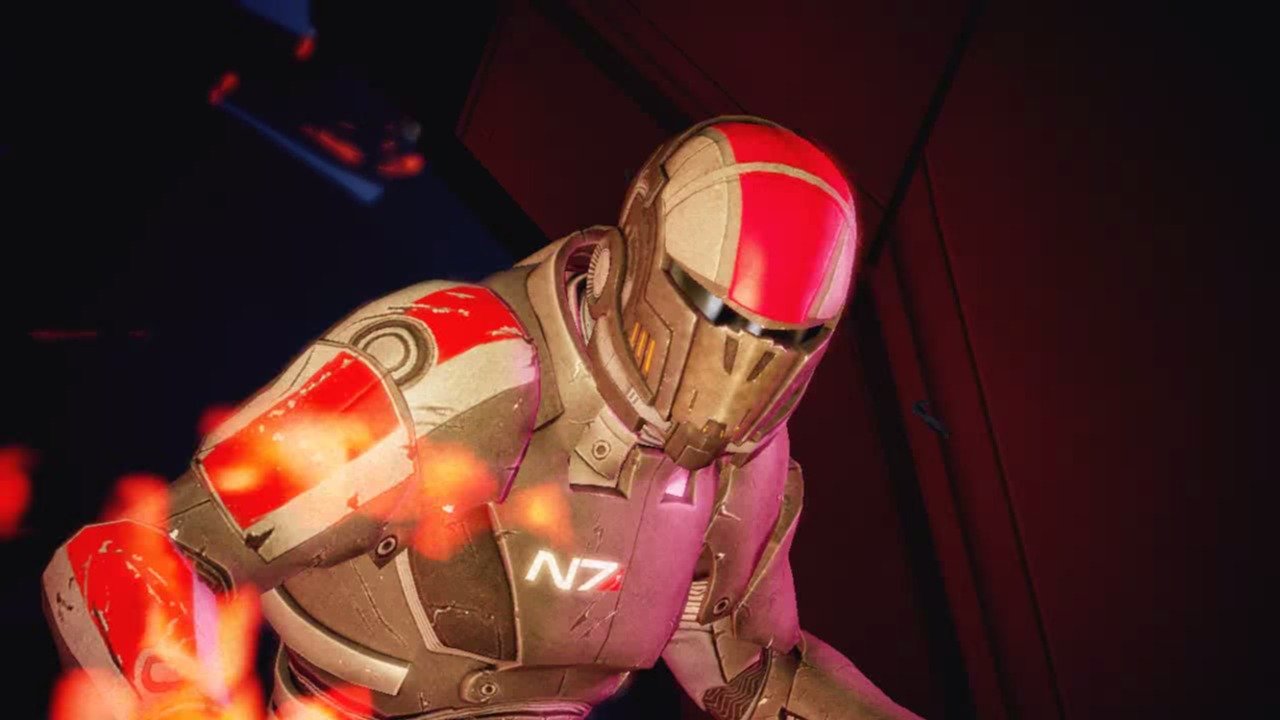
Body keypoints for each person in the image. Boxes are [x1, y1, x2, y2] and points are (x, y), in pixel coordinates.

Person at [43, 116, 923, 720]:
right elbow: (142, 555)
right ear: (644, 250)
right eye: (717, 314)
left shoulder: (745, 465)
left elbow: (751, 674)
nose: (740, 371)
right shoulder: (466, 369)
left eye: (788, 339)